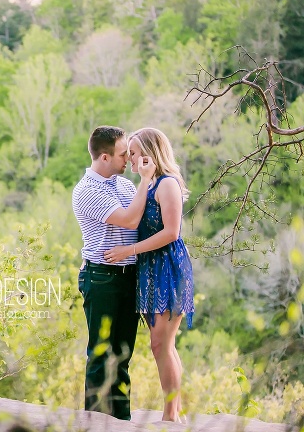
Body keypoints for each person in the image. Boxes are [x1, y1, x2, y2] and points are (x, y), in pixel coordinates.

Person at [104, 127, 195, 423]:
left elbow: (171, 233)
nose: (130, 159)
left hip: (168, 268)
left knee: (161, 345)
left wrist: (129, 251)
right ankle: (175, 411)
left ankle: (170, 415)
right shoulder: (149, 184)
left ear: (150, 154)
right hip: (151, 270)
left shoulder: (167, 184)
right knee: (164, 344)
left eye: (134, 153)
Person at [72, 126, 155, 420]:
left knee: (122, 354)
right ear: (104, 157)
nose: (128, 159)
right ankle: (95, 422)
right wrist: (146, 179)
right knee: (100, 354)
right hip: (102, 277)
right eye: (123, 154)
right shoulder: (87, 191)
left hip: (128, 276)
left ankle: (121, 421)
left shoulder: (123, 186)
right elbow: (131, 220)